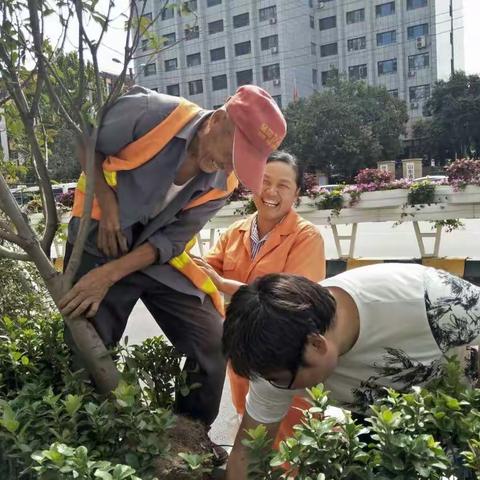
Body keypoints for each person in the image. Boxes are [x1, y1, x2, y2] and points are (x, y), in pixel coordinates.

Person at [58, 84, 286, 464]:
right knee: (88, 340)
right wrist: (109, 203)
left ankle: (187, 441)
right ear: (217, 121)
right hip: (102, 234)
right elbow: (88, 141)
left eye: (242, 163)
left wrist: (111, 274)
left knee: (214, 339)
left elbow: (171, 241)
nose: (230, 168)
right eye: (233, 154)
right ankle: (89, 448)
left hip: (154, 255)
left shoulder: (222, 183)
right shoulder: (151, 113)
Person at [222, 263, 480, 478]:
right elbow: (247, 454)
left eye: (278, 380)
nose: (272, 385)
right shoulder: (276, 358)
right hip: (386, 428)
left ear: (316, 344)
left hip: (464, 417)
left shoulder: (434, 302)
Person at [194, 150, 325, 445]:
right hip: (242, 355)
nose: (271, 192)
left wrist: (224, 284)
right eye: (265, 181)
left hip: (284, 360)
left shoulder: (307, 237)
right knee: (253, 440)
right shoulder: (234, 232)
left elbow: (292, 301)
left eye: (283, 185)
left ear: (297, 194)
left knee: (291, 442)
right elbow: (205, 273)